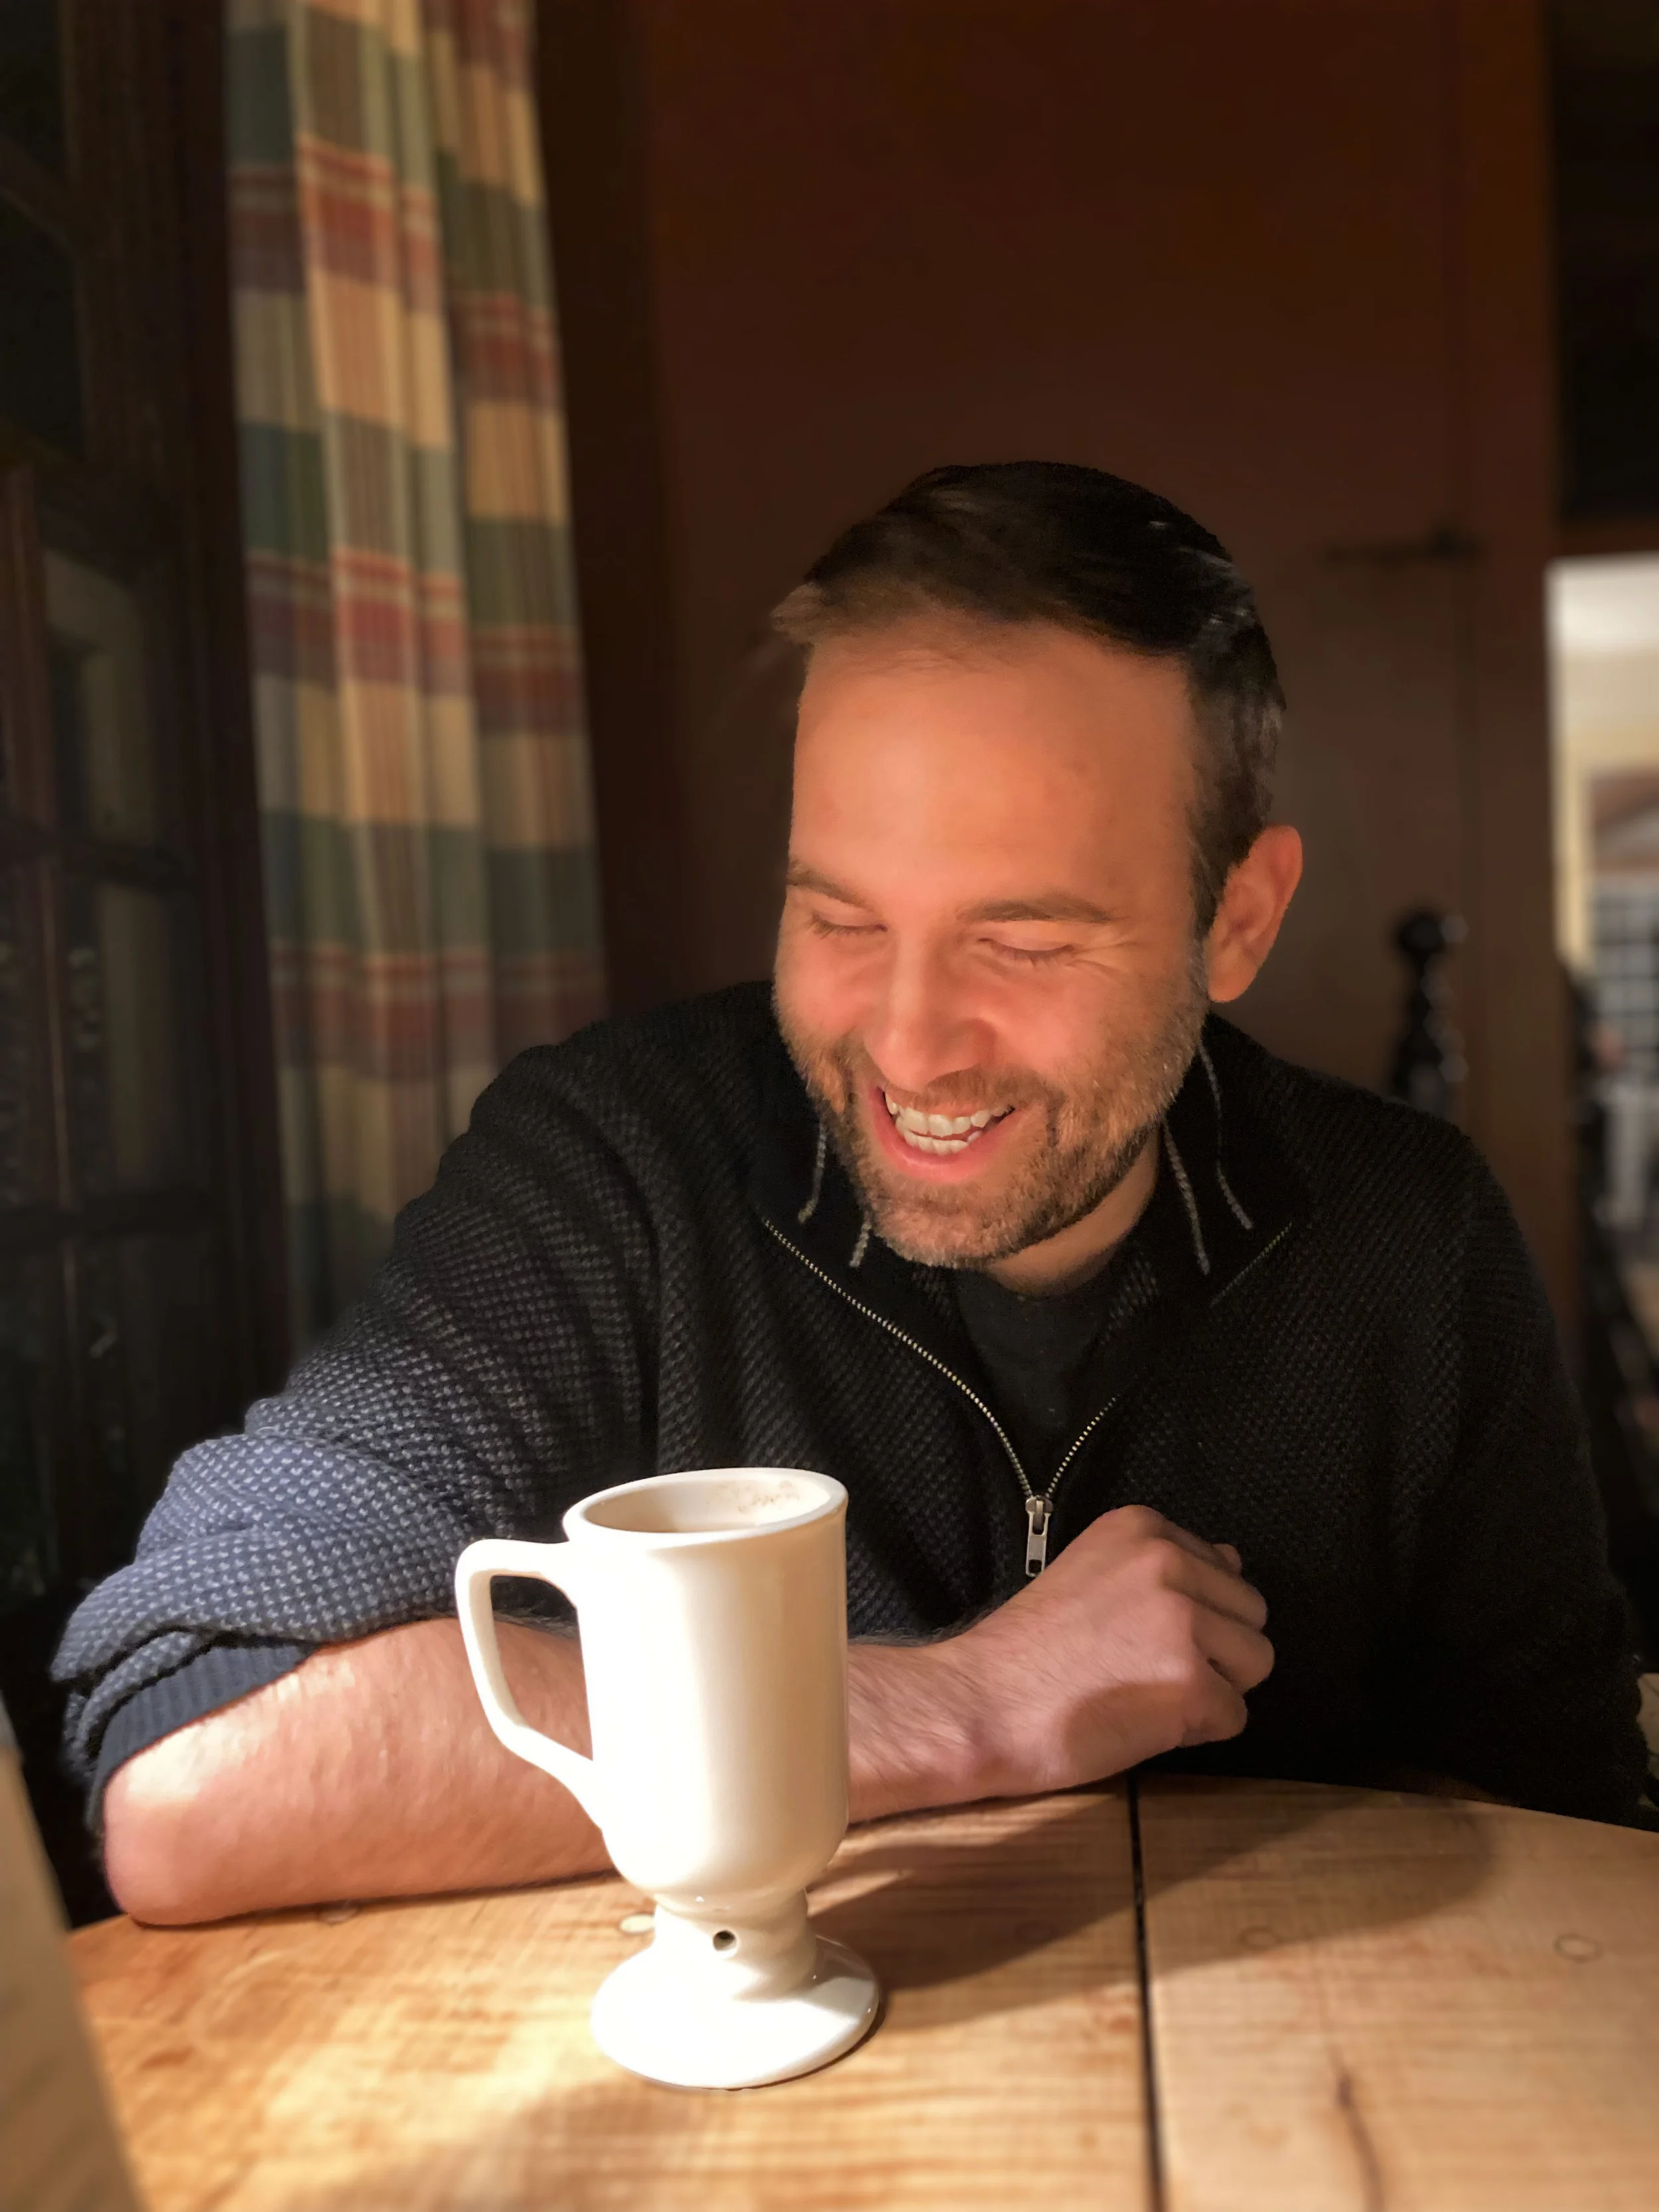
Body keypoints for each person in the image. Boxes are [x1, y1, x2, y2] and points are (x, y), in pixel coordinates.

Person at [56, 463, 1648, 1924]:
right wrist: (966, 1703)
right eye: (838, 918)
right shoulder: (615, 1168)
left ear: (1235, 919)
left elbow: (1575, 1831)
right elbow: (194, 1758)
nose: (905, 1042)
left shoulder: (1406, 1236)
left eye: (1020, 939)